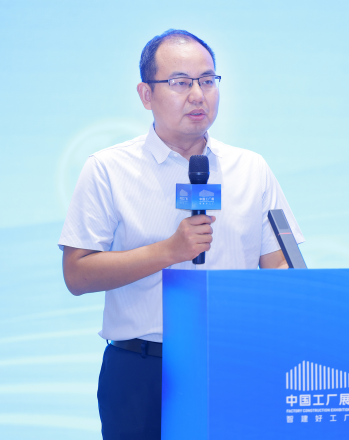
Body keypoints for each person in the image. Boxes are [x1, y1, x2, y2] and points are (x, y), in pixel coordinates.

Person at [58, 29, 304, 440]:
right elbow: (77, 274)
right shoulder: (108, 169)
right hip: (142, 371)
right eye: (180, 82)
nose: (197, 95)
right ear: (146, 94)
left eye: (207, 81)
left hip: (235, 363)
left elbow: (281, 262)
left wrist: (296, 298)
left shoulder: (252, 169)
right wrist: (169, 251)